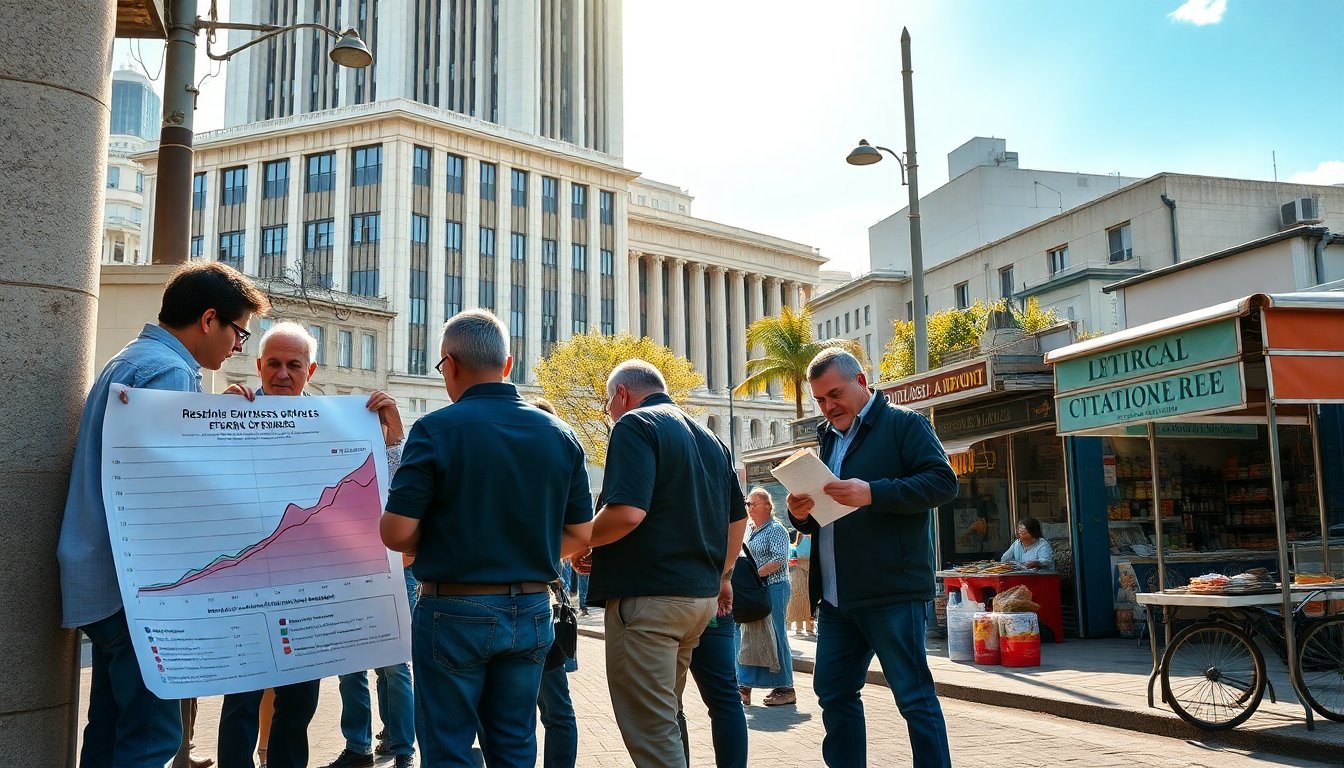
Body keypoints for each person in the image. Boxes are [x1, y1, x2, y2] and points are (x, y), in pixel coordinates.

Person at [58, 262, 267, 768]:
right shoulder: (172, 372)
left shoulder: (131, 359)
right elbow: (172, 492)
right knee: (151, 739)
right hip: (139, 590)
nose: (237, 347)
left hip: (99, 577)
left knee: (107, 731)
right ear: (209, 319)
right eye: (239, 333)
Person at [380, 309, 593, 767]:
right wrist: (524, 552)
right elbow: (581, 532)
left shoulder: (434, 429)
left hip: (454, 609)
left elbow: (395, 532)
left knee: (449, 747)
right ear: (508, 364)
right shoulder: (561, 434)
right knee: (515, 744)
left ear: (450, 364)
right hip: (534, 609)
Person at [216, 321, 408, 768]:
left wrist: (393, 438)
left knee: (299, 706)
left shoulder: (339, 424)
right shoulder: (231, 410)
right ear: (259, 365)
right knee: (241, 703)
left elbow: (386, 491)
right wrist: (214, 419)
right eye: (274, 364)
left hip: (308, 593)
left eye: (294, 365)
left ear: (312, 369)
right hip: (243, 589)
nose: (283, 373)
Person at [785, 349, 959, 768]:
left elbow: (942, 483)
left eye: (835, 394)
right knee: (834, 694)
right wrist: (799, 515)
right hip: (837, 599)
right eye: (821, 400)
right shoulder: (828, 439)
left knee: (913, 698)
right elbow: (826, 519)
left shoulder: (905, 424)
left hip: (891, 592)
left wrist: (874, 493)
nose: (829, 407)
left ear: (861, 382)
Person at [586, 360, 748, 768]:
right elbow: (738, 520)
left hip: (648, 602)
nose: (610, 414)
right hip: (699, 601)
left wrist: (577, 541)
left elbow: (627, 513)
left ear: (621, 394)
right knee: (667, 718)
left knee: (654, 733)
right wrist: (722, 575)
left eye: (609, 405)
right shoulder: (712, 438)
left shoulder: (635, 424)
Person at [531, 397, 580, 768]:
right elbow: (581, 533)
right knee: (557, 708)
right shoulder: (559, 473)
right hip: (544, 601)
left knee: (537, 711)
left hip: (538, 601)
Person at [676, 572, 747, 768]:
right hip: (713, 598)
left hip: (667, 598)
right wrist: (725, 578)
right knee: (725, 700)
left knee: (668, 703)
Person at [736, 488, 795, 707]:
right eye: (748, 504)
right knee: (751, 637)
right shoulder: (750, 530)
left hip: (774, 587)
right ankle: (744, 684)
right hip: (756, 589)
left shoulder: (776, 529)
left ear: (767, 506)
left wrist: (752, 574)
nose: (749, 508)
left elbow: (780, 558)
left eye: (753, 504)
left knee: (777, 634)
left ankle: (786, 688)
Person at [786, 530, 814, 637]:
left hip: (808, 571)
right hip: (798, 571)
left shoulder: (812, 536)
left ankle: (809, 627)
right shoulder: (797, 537)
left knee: (808, 599)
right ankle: (800, 627)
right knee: (799, 598)